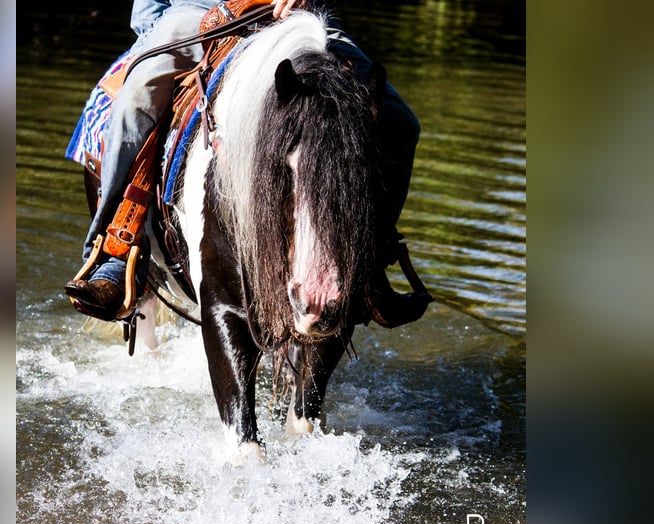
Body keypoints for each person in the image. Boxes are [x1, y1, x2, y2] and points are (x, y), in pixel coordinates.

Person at [64, 0, 431, 326]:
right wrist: (151, 32)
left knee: (400, 122)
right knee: (135, 98)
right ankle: (113, 250)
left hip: (291, 18)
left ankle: (371, 259)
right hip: (200, 15)